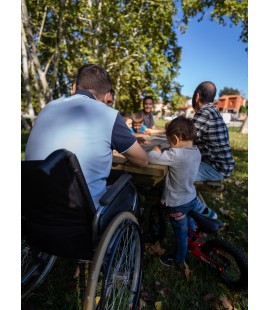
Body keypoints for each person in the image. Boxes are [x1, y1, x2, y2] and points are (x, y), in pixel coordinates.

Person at [25, 64, 148, 208]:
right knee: (128, 191)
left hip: (33, 210)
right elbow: (142, 160)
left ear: (74, 87)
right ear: (108, 95)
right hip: (82, 217)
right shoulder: (109, 115)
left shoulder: (47, 108)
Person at [148, 116, 217, 268]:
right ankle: (213, 218)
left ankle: (178, 258)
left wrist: (156, 150)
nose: (169, 145)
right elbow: (179, 158)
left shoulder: (174, 155)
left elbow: (152, 158)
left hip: (176, 204)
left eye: (169, 142)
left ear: (175, 138)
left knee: (180, 234)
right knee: (196, 211)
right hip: (191, 196)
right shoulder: (196, 152)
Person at [192, 81, 235, 181]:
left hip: (215, 168)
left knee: (176, 171)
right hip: (222, 166)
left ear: (197, 96)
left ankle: (189, 197)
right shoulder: (213, 111)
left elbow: (184, 140)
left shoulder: (205, 112)